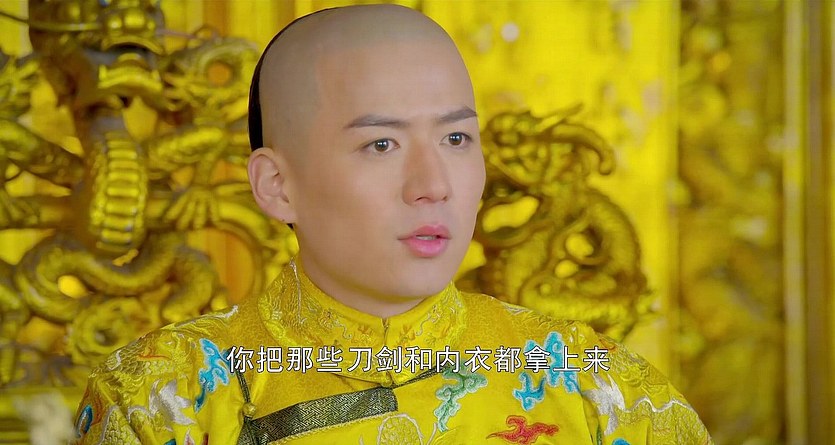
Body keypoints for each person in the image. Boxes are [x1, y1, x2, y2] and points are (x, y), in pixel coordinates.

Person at [72, 5, 711, 444]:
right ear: (277, 186)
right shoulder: (164, 395)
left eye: (456, 139)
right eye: (381, 145)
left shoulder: (597, 384)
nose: (433, 184)